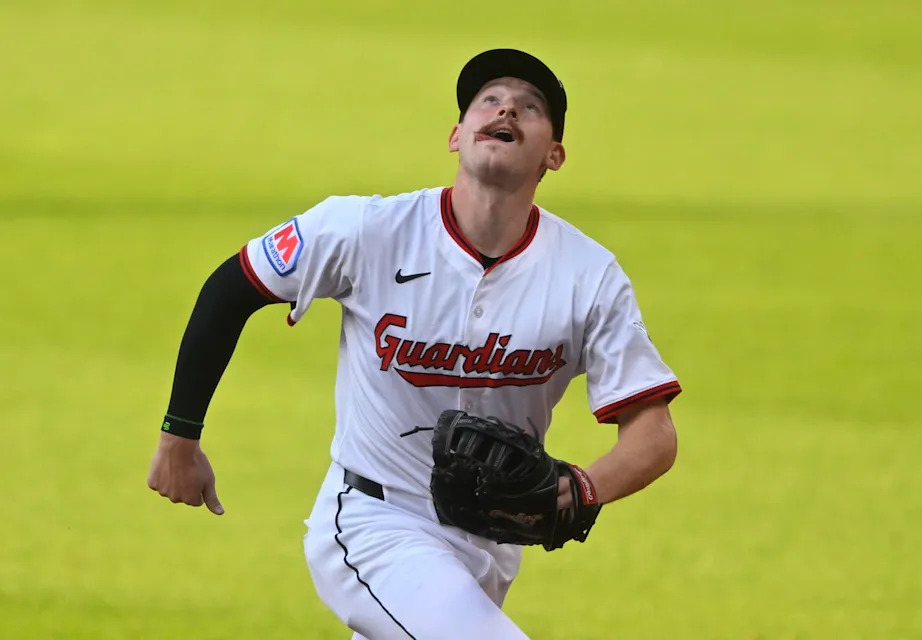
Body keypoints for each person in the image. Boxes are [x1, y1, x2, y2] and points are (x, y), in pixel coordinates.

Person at [148, 48, 682, 639]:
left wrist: (582, 489)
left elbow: (652, 431)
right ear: (456, 136)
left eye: (530, 107)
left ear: (553, 154)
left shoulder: (588, 274)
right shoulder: (366, 231)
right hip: (373, 521)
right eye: (489, 99)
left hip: (492, 546)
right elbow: (233, 287)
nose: (506, 108)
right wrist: (180, 435)